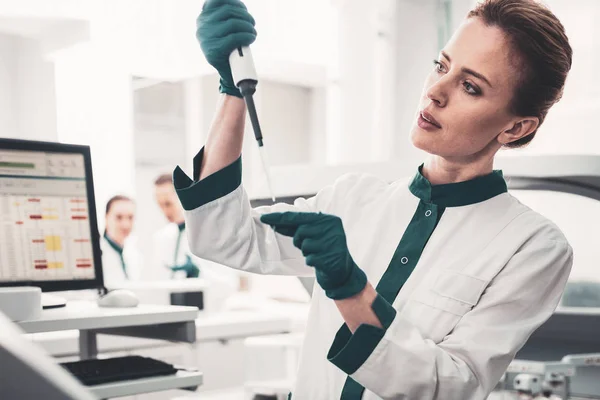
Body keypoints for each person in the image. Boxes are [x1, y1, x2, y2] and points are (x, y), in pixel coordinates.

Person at [173, 0, 574, 399]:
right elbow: (222, 236)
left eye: (470, 86)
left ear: (516, 127)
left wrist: (351, 287)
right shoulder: (353, 198)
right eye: (441, 66)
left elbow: (452, 387)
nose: (435, 92)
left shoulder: (533, 246)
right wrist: (231, 89)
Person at [153, 174, 240, 289]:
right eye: (160, 205)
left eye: (168, 204)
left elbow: (229, 283)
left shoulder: (213, 232)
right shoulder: (162, 238)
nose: (164, 211)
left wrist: (199, 274)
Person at [101, 195, 142, 288]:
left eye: (130, 217)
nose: (125, 225)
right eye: (119, 217)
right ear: (106, 218)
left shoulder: (135, 256)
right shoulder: (97, 255)